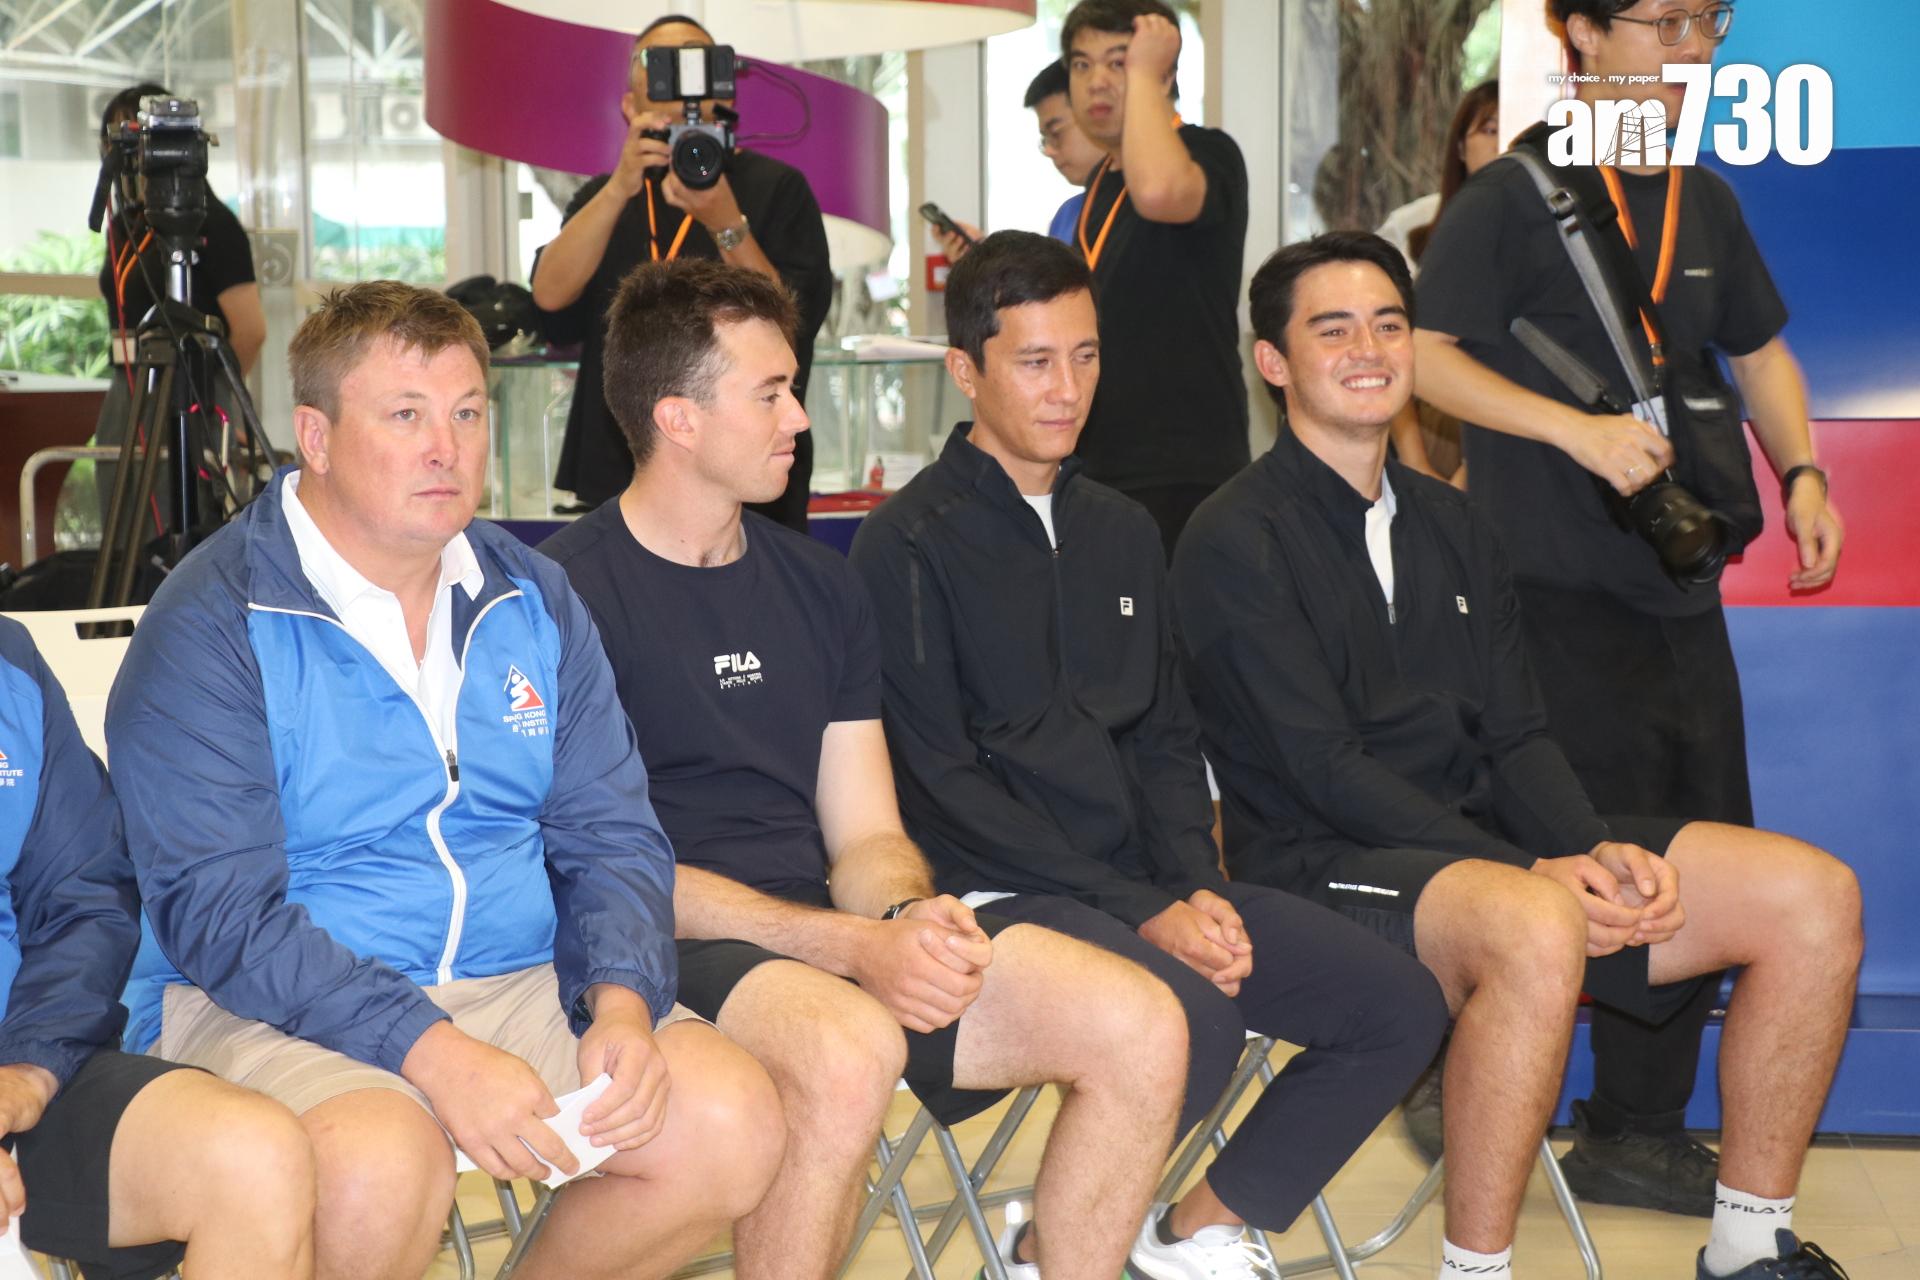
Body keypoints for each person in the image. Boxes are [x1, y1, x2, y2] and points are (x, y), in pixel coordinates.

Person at [1173, 232, 1861, 1280]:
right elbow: (1322, 769)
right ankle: (1477, 1270)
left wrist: (1589, 847)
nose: (1369, 349)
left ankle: (1748, 1245)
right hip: (1314, 866)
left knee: (1812, 896)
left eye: (1389, 324)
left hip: (1486, 856)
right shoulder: (1233, 536)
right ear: (1274, 361)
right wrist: (1535, 871)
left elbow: (1516, 733)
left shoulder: (1457, 524)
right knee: (1536, 919)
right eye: (1333, 329)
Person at [107, 280, 784, 1280]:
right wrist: (432, 1050)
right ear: (315, 436)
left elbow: (611, 833)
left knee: (727, 1121)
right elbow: (221, 912)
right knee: (381, 1160)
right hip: (265, 995)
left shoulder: (532, 594)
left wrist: (621, 1002)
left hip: (512, 974)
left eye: (468, 414)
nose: (446, 448)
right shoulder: (213, 619)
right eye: (406, 415)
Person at [541, 257, 1191, 1280]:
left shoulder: (820, 586)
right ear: (678, 419)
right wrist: (850, 945)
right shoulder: (559, 597)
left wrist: (902, 919)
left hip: (823, 937)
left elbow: (866, 831)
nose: (799, 418)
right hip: (654, 939)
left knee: (1142, 1021)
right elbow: (601, 868)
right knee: (848, 1048)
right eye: (770, 394)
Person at [847, 231, 1450, 1280]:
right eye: (1036, 361)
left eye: (1085, 356)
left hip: (1144, 885)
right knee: (1192, 1018)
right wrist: (1142, 908)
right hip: (993, 895)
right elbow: (941, 782)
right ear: (966, 371)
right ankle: (1058, 1251)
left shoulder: (1124, 529)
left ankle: (1181, 1228)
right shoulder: (904, 542)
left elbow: (1168, 738)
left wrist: (1195, 884)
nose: (1067, 388)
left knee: (1398, 1004)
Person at [1412, 0, 1845, 1216]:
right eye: (1662, 22)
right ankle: (1460, 1075)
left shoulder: (1703, 198)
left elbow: (1759, 352)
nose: (1691, 48)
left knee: (1703, 846)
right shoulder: (1510, 198)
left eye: (1707, 22)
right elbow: (1426, 355)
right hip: (1546, 594)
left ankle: (1638, 1128)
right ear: (1582, 34)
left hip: (1679, 590)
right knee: (1575, 850)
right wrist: (1572, 430)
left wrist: (1803, 473)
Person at [0, 618, 315, 1278]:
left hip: (24, 1060)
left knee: (254, 1155)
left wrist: (32, 1065)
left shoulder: (9, 661)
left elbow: (81, 897)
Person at [530, 12, 832, 530]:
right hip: (620, 453)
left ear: (723, 92)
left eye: (696, 66)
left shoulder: (776, 187)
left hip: (751, 461)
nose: (681, 92)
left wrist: (726, 223)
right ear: (630, 106)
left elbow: (793, 321)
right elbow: (549, 296)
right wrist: (619, 187)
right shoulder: (606, 195)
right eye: (662, 73)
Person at [1060, 0, 1250, 559]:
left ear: (1163, 74)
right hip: (1098, 461)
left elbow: (1161, 192)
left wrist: (1146, 74)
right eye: (1082, 64)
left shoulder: (1207, 152)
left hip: (1184, 464)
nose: (1097, 81)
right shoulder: (1100, 180)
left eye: (1119, 62)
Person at [85, 82, 267, 534]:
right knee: (120, 518)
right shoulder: (127, 223)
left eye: (131, 139)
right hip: (127, 387)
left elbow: (250, 329)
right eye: (114, 141)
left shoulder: (214, 223)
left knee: (176, 520)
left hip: (188, 390)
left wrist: (215, 396)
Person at [1377, 78, 1499, 486]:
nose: (1503, 144)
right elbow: (1387, 348)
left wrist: (1475, 469)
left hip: (1512, 428)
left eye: (1514, 129)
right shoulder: (1412, 229)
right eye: (1489, 130)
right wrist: (1416, 463)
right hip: (1426, 422)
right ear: (1460, 147)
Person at [932, 61, 1109, 260]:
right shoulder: (1066, 215)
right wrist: (981, 257)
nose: (1049, 150)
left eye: (1056, 132)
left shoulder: (1135, 204)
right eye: (1045, 139)